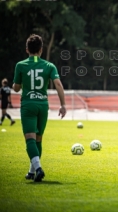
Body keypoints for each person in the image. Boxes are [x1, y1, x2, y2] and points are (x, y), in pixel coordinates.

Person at [13, 34, 67, 182]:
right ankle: (32, 172)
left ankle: (38, 168)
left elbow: (16, 88)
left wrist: (15, 84)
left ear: (27, 49)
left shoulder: (20, 65)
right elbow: (58, 85)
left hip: (28, 105)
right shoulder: (49, 66)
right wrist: (63, 105)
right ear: (41, 50)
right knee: (38, 139)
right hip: (43, 105)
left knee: (30, 139)